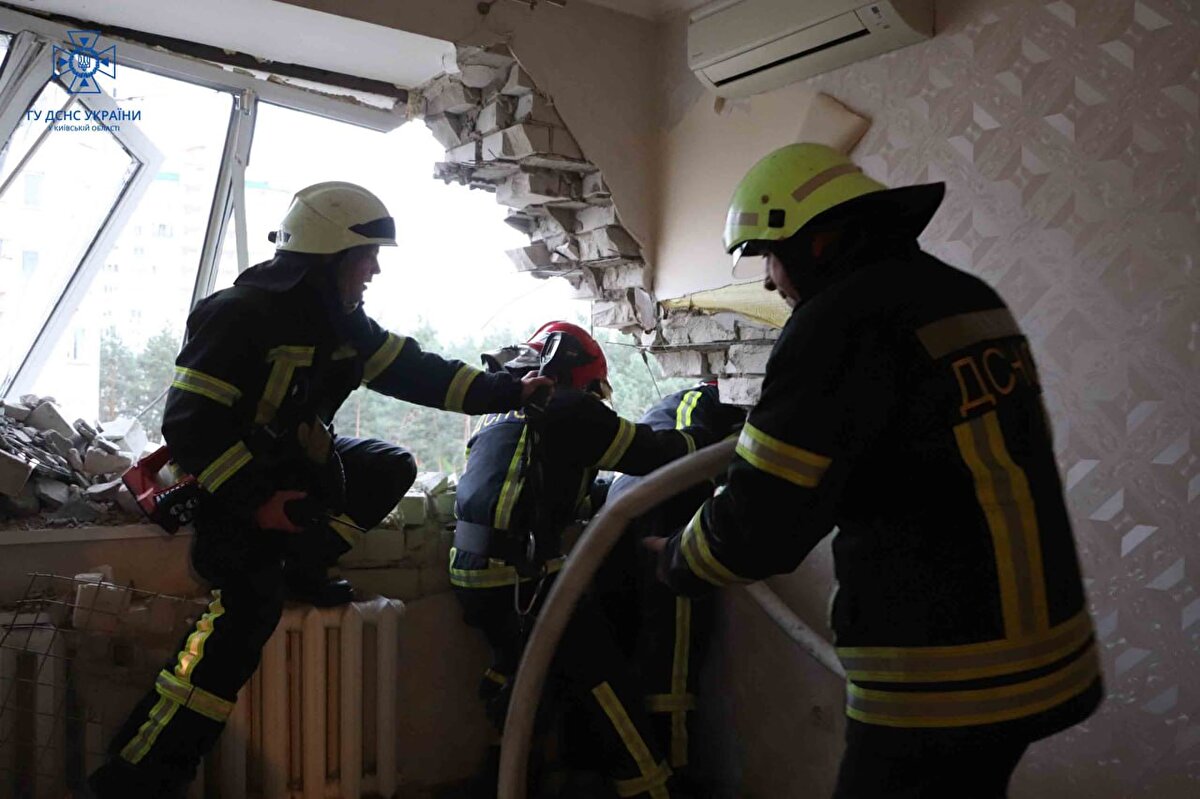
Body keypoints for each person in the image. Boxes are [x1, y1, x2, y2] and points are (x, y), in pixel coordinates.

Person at [647, 144, 1103, 798]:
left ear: (817, 243)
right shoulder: (965, 296)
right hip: (1049, 651)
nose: (769, 280)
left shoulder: (838, 322)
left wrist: (676, 560)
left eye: (769, 254)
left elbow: (762, 521)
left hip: (943, 674)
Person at [89, 182, 551, 797]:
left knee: (387, 465)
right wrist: (257, 502)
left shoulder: (342, 324)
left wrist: (510, 391)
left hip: (286, 476)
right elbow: (191, 425)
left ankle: (302, 565)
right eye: (366, 257)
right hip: (231, 491)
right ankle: (134, 781)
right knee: (240, 627)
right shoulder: (238, 314)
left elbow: (416, 371)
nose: (374, 270)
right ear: (330, 257)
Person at [451, 322, 720, 799]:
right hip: (524, 577)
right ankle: (653, 791)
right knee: (604, 685)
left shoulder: (503, 412)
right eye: (595, 388)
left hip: (473, 572)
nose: (597, 398)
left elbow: (552, 488)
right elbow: (656, 452)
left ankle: (502, 779)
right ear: (577, 373)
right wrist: (719, 434)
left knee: (524, 676)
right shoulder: (567, 406)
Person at [601, 381, 744, 784]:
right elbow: (686, 455)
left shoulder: (663, 409)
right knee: (673, 663)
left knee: (639, 653)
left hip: (618, 522)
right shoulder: (703, 399)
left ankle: (642, 776)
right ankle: (676, 777)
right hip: (664, 516)